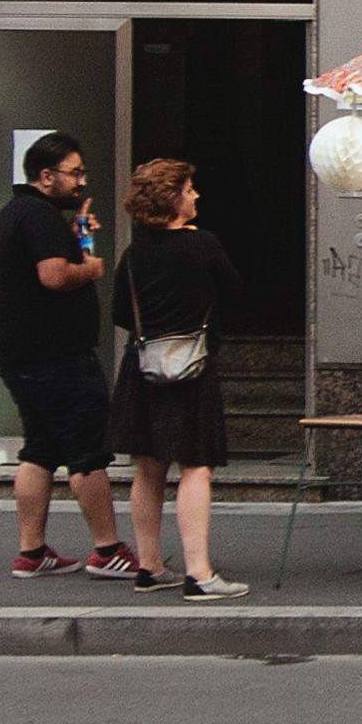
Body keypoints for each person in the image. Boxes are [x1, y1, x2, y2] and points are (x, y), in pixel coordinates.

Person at [0, 131, 133, 580]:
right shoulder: (40, 216)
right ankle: (107, 549)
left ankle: (32, 551)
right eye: (74, 173)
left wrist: (77, 240)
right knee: (87, 452)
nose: (81, 181)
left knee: (40, 449)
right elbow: (52, 276)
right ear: (46, 176)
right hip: (59, 357)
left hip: (22, 356)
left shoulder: (14, 214)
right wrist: (89, 268)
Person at [109, 158, 247, 600]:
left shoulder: (134, 253)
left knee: (148, 467)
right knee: (195, 466)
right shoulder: (203, 245)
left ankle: (149, 565)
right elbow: (235, 292)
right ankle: (199, 573)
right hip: (191, 369)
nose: (196, 194)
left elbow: (119, 312)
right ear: (172, 199)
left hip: (143, 368)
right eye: (189, 189)